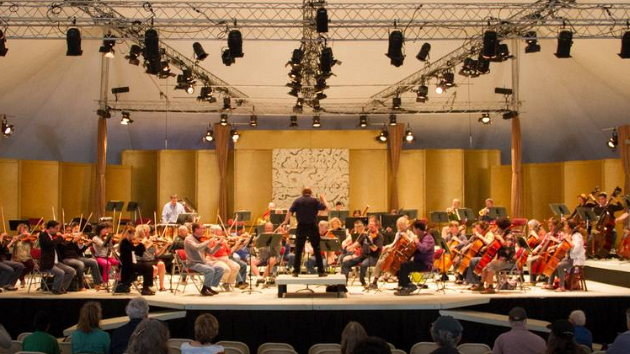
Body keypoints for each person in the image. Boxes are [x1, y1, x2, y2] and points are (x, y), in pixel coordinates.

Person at [282, 187, 328, 277]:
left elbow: (289, 211)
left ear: (302, 193)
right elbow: (325, 208)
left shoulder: (297, 201)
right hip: (312, 226)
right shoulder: (314, 200)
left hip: (301, 226)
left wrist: (285, 221)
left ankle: (295, 271)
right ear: (311, 193)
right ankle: (321, 272)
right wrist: (323, 199)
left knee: (298, 249)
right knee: (317, 249)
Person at [367, 217, 414, 289]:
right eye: (398, 226)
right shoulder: (398, 233)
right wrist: (387, 246)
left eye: (401, 226)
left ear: (405, 225)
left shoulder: (410, 234)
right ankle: (375, 282)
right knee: (381, 259)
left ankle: (403, 283)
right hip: (396, 253)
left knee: (385, 262)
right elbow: (394, 243)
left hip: (403, 256)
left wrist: (406, 237)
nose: (400, 228)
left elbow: (413, 244)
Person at [475, 218, 516, 294]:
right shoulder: (502, 234)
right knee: (485, 267)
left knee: (490, 266)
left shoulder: (510, 235)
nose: (496, 228)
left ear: (501, 227)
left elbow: (507, 246)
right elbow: (496, 244)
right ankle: (481, 285)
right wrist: (487, 247)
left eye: (497, 226)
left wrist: (500, 238)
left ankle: (490, 288)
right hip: (502, 259)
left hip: (508, 261)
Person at [394, 220, 435, 296]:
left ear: (418, 229)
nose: (414, 231)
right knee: (398, 266)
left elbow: (423, 249)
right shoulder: (421, 238)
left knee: (404, 265)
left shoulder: (428, 238)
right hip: (418, 262)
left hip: (425, 264)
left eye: (414, 229)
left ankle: (407, 286)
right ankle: (407, 285)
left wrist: (416, 241)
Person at [543, 220, 585, 292]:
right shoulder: (570, 235)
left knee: (559, 265)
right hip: (569, 258)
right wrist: (554, 247)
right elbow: (563, 244)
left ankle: (562, 286)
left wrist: (568, 240)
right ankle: (550, 283)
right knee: (553, 262)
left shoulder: (578, 236)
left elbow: (576, 248)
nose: (565, 228)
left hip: (575, 259)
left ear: (570, 227)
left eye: (566, 226)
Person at [59, 224, 103, 290]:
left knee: (93, 261)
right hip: (66, 258)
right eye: (67, 230)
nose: (69, 232)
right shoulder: (60, 239)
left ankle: (97, 283)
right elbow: (63, 248)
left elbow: (79, 251)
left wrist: (86, 245)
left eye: (70, 231)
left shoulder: (72, 238)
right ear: (62, 230)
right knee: (80, 264)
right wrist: (73, 241)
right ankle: (81, 285)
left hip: (76, 257)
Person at [341, 219, 384, 286]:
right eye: (369, 226)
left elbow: (375, 249)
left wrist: (370, 241)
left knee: (363, 264)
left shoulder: (379, 236)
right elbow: (358, 243)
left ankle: (363, 282)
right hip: (363, 256)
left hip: (373, 257)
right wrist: (351, 247)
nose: (369, 228)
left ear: (377, 227)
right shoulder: (365, 235)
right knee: (345, 264)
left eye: (372, 227)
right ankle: (343, 282)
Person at [185, 223, 224, 296]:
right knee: (210, 270)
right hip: (193, 264)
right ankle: (204, 290)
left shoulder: (201, 239)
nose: (204, 230)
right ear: (196, 229)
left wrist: (218, 244)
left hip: (203, 263)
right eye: (202, 228)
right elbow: (197, 247)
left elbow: (211, 252)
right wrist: (209, 241)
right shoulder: (188, 239)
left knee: (220, 269)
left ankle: (208, 287)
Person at [39, 220, 76, 294]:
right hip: (48, 263)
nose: (57, 230)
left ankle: (62, 287)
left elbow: (63, 246)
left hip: (56, 262)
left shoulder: (53, 237)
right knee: (61, 272)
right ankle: (55, 289)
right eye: (56, 228)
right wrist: (61, 237)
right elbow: (50, 244)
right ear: (50, 228)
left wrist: (72, 240)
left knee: (72, 271)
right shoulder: (43, 235)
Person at [116, 225, 154, 295]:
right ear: (129, 234)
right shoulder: (125, 242)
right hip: (127, 266)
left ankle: (146, 287)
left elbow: (138, 252)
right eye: (133, 234)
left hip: (128, 264)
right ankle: (145, 288)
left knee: (148, 266)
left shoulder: (127, 241)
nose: (134, 236)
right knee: (148, 267)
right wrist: (142, 243)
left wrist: (143, 245)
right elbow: (136, 250)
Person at [205, 226, 240, 292]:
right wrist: (213, 258)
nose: (221, 232)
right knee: (227, 269)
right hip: (214, 260)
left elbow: (229, 252)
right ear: (215, 231)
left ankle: (226, 283)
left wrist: (237, 244)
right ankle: (216, 282)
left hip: (225, 259)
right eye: (220, 231)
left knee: (236, 266)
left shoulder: (224, 241)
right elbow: (207, 252)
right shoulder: (211, 240)